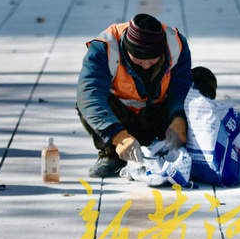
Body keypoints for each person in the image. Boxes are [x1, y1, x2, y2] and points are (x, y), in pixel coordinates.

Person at [76, 13, 193, 178]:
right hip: (123, 122)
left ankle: (181, 148)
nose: (145, 66)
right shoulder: (105, 47)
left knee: (202, 78)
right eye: (138, 60)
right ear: (126, 50)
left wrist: (178, 117)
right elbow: (89, 95)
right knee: (86, 100)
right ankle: (113, 155)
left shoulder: (176, 43)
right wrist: (119, 137)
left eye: (152, 61)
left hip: (160, 120)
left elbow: (181, 86)